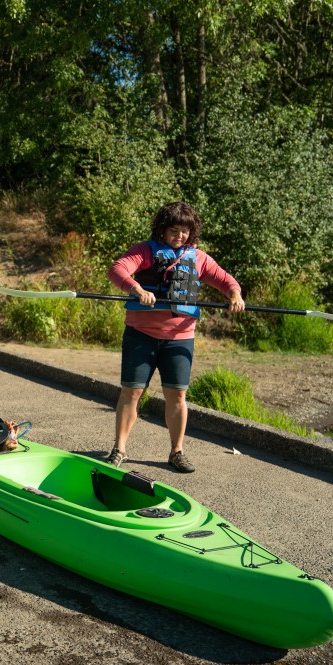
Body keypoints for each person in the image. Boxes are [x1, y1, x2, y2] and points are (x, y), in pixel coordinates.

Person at [106, 201, 245, 473]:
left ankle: (176, 451)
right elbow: (117, 269)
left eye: (184, 231)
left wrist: (235, 295)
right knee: (131, 393)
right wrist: (136, 288)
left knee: (177, 396)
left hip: (180, 338)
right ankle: (119, 449)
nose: (179, 236)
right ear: (162, 229)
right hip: (141, 335)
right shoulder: (145, 251)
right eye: (173, 230)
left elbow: (227, 281)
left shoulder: (200, 258)